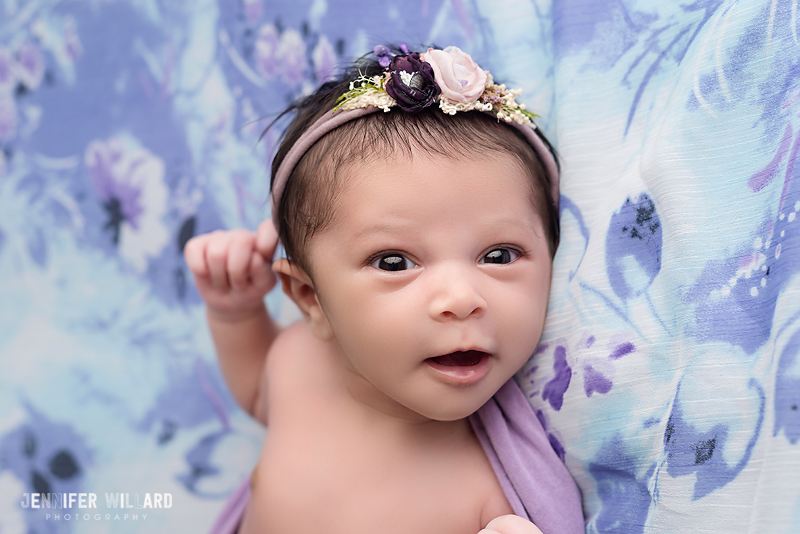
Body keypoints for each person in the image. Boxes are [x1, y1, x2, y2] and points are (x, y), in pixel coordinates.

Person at [185, 45, 583, 534]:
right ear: (311, 299)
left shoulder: (492, 497)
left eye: (498, 256)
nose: (460, 299)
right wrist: (235, 312)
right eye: (394, 263)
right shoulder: (296, 364)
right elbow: (255, 390)